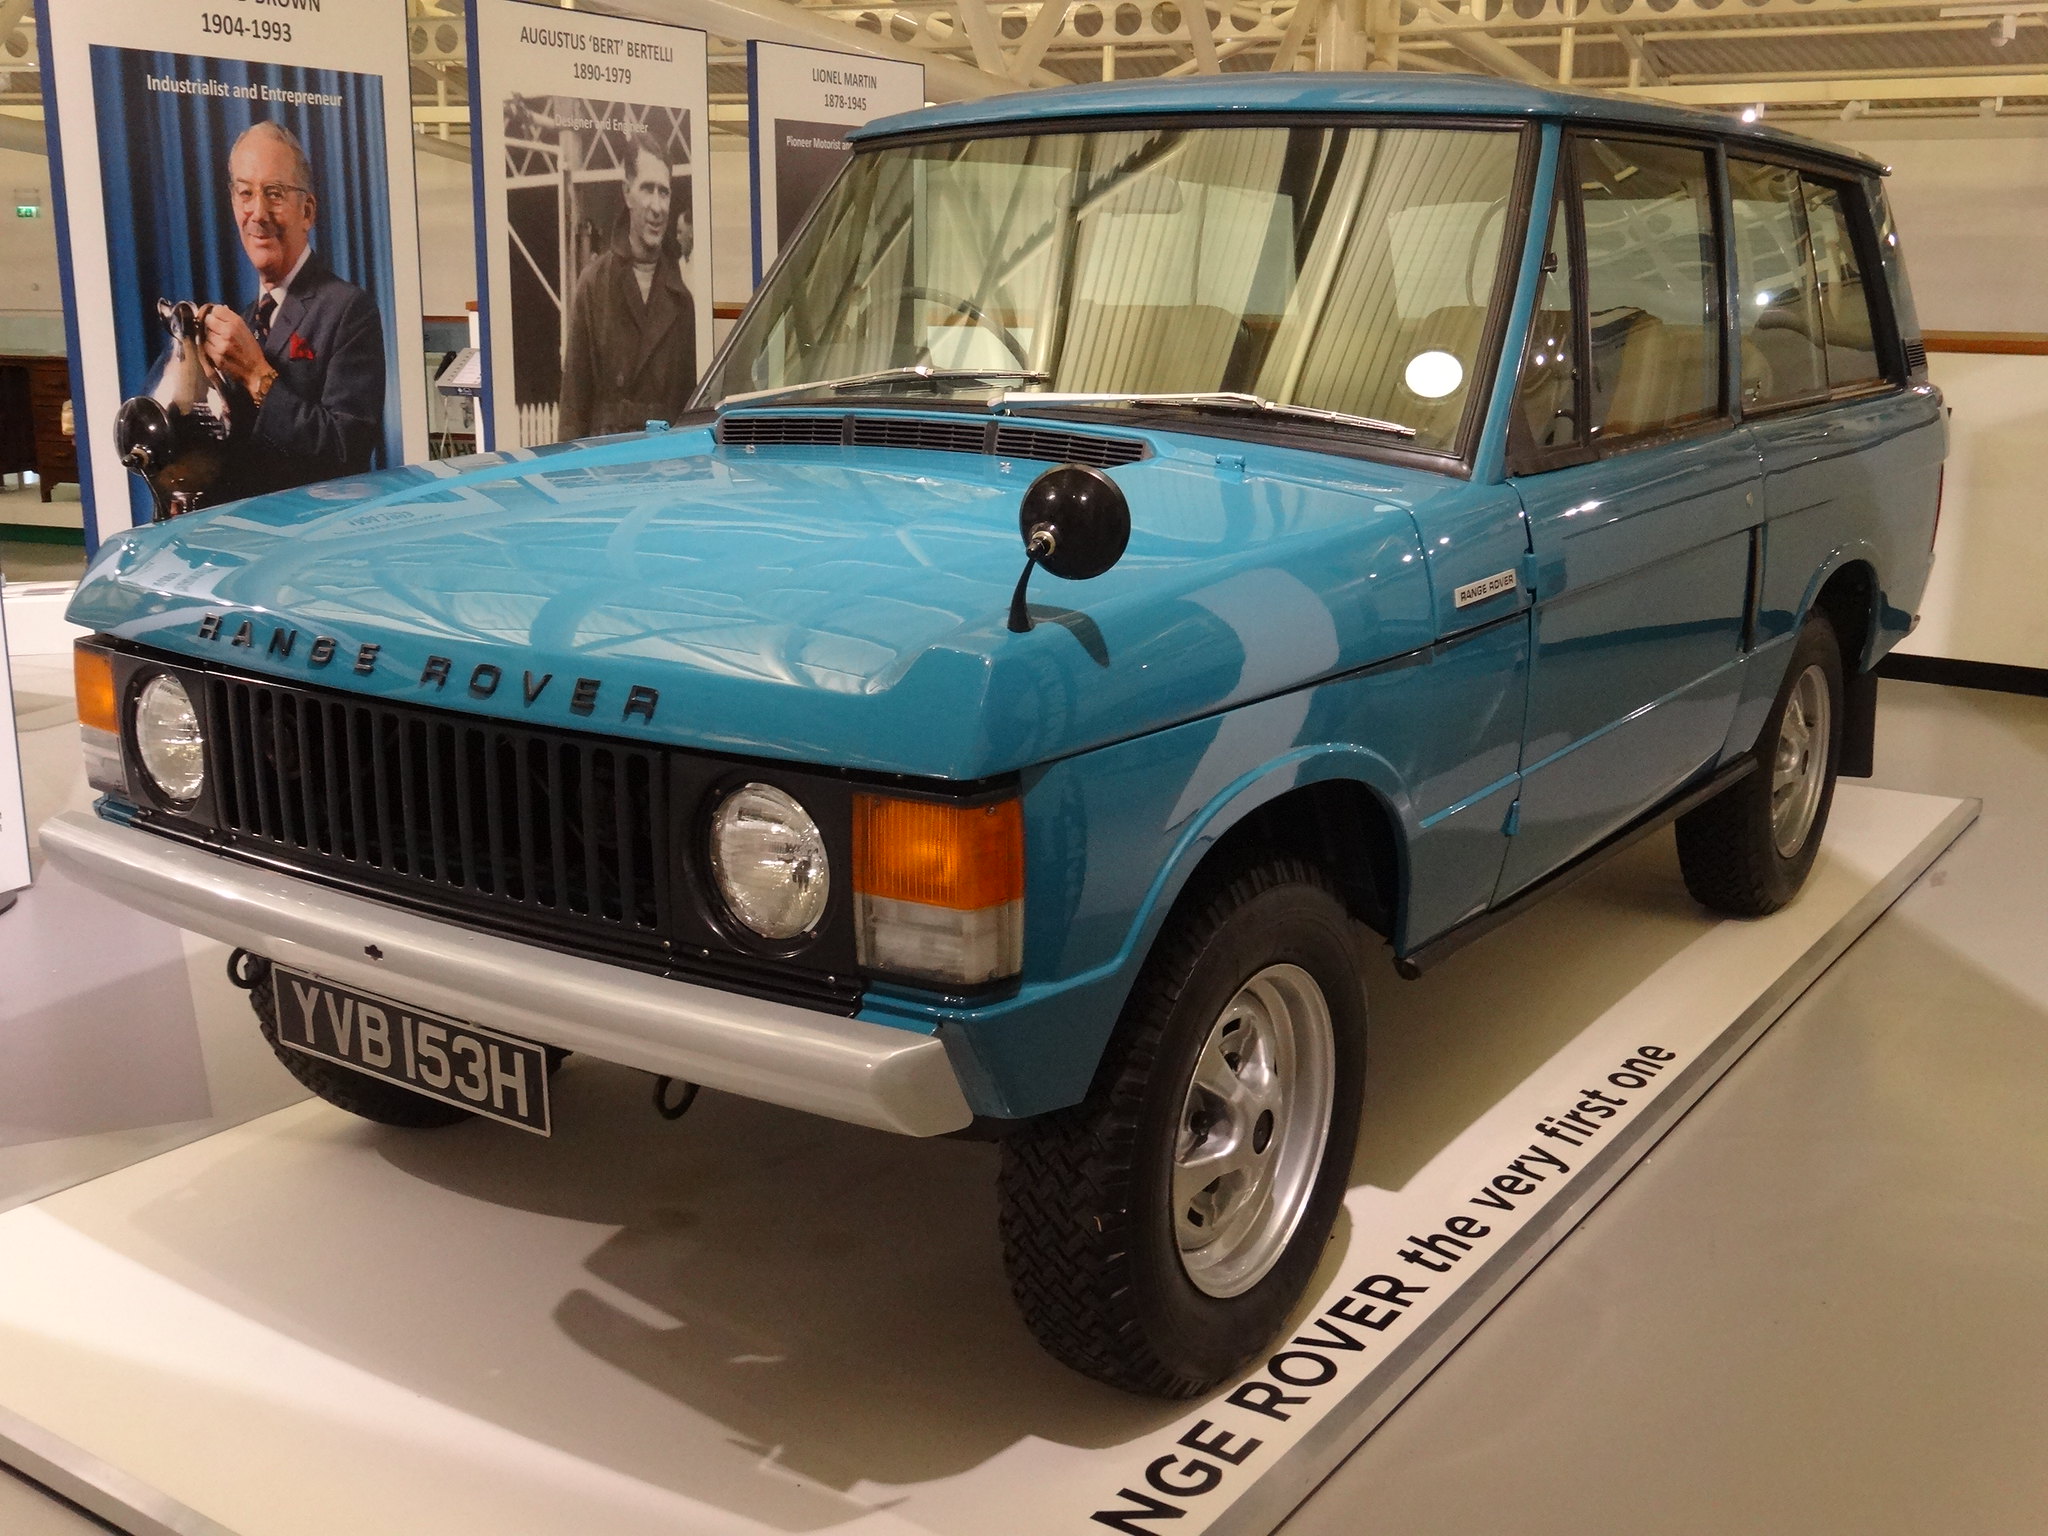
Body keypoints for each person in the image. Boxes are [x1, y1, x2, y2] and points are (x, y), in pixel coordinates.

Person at [199, 120, 386, 501]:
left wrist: (256, 376)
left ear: (308, 211)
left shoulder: (349, 309)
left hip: (313, 538)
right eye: (245, 193)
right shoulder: (248, 316)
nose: (258, 212)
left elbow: (346, 448)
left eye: (275, 193)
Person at [557, 132, 697, 440]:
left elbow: (689, 413)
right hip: (605, 466)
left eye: (665, 192)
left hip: (664, 466)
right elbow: (573, 408)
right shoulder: (594, 286)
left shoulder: (682, 299)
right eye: (647, 189)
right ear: (626, 193)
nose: (657, 207)